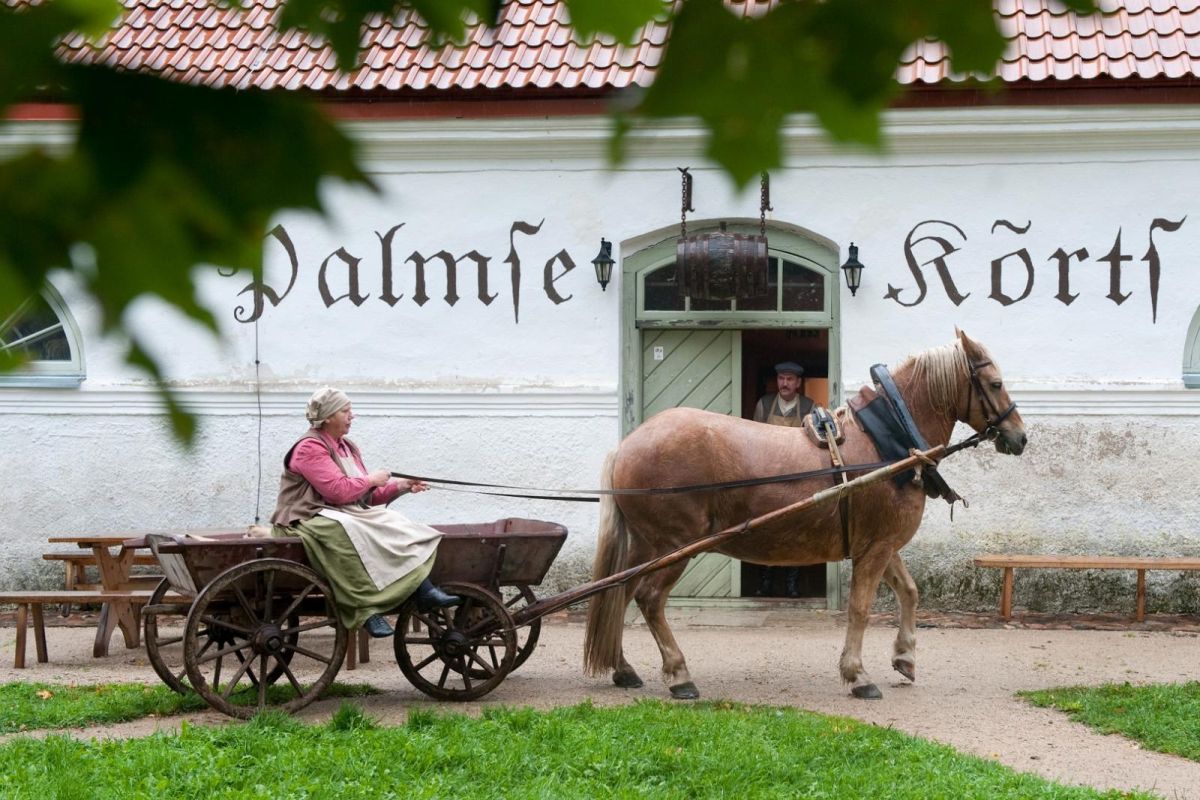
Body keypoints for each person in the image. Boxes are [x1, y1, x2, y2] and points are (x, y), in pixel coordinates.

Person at [271, 387, 461, 639]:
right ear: (328, 416)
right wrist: (372, 479)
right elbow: (338, 491)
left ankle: (421, 589)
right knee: (347, 531)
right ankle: (364, 609)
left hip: (343, 511)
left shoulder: (347, 447)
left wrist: (402, 486)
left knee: (394, 521)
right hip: (306, 516)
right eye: (345, 411)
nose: (352, 416)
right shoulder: (309, 448)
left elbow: (364, 497)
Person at [751, 361, 813, 597]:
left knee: (796, 532)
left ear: (798, 383)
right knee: (765, 530)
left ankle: (792, 584)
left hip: (797, 478)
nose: (784, 383)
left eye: (789, 379)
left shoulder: (809, 406)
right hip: (768, 478)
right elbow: (753, 441)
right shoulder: (764, 405)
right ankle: (765, 583)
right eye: (781, 379)